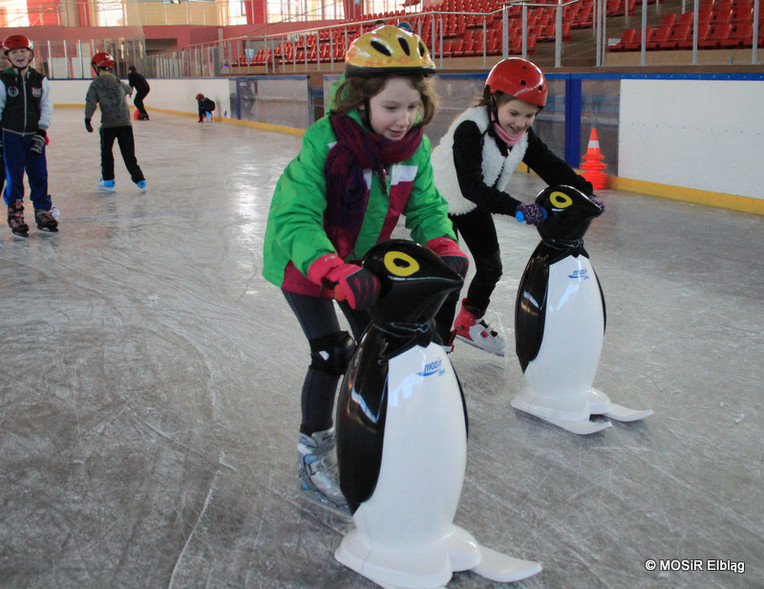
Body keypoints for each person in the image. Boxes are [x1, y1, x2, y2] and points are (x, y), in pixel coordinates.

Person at [262, 25, 468, 512]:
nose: (404, 119)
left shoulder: (413, 148)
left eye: (413, 106)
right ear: (361, 99)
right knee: (334, 353)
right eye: (391, 107)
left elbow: (425, 205)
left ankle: (383, 433)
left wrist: (443, 241)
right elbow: (297, 217)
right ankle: (313, 459)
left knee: (379, 345)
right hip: (304, 260)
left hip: (357, 259)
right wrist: (330, 268)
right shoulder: (325, 144)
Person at [431, 57, 601, 356]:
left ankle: (468, 321)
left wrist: (586, 193)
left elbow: (552, 167)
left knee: (490, 267)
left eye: (530, 116)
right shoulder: (470, 129)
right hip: (438, 204)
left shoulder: (522, 137)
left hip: (475, 203)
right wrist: (518, 208)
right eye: (514, 113)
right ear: (493, 100)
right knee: (452, 273)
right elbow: (472, 186)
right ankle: (438, 342)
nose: (520, 123)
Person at [0, 35, 58, 236]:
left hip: (34, 136)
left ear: (30, 53)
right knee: (14, 176)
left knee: (39, 174)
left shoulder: (39, 80)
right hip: (11, 136)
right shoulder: (3, 79)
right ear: (8, 56)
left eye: (23, 51)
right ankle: (15, 214)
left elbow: (46, 106)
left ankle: (42, 211)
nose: (19, 55)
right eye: (14, 52)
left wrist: (42, 131)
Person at [85, 52, 147, 193]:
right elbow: (127, 89)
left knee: (107, 152)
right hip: (125, 123)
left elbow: (90, 102)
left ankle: (108, 181)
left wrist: (87, 119)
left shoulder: (95, 85)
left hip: (108, 125)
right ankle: (140, 179)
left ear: (97, 66)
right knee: (129, 153)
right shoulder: (118, 82)